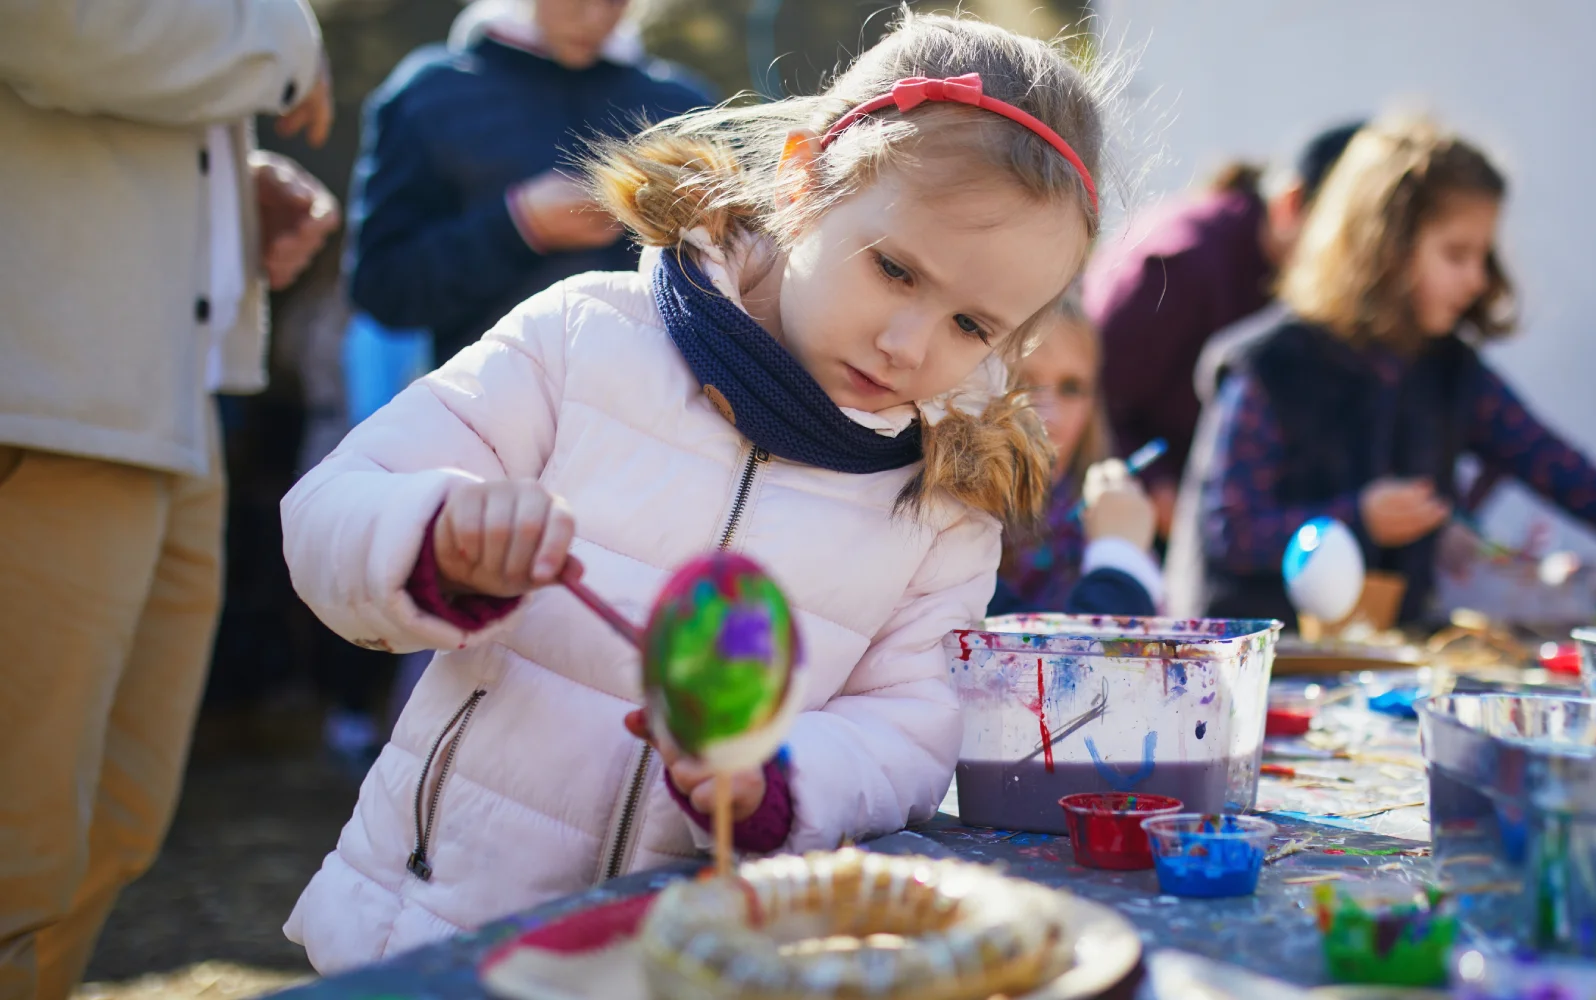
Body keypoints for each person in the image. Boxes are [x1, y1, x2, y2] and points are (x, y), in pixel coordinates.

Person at [278, 11, 1107, 969]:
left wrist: (781, 782)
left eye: (973, 326)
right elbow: (331, 509)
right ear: (803, 178)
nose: (909, 345)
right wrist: (435, 535)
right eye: (893, 269)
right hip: (435, 933)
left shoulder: (945, 501)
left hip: (696, 961)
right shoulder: (585, 336)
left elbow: (910, 730)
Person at [0, 1, 339, 996]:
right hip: (46, 399)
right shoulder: (280, 32)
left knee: (113, 826)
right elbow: (52, 27)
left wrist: (218, 192)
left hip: (158, 396)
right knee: (20, 841)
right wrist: (288, 42)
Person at [1169, 119, 1596, 634]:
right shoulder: (1267, 365)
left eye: (1484, 255)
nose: (1478, 279)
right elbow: (1231, 531)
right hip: (1251, 668)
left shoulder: (1449, 370)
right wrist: (1358, 518)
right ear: (1382, 247)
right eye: (1456, 254)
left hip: (1372, 669)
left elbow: (1570, 475)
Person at [347, 0, 712, 364]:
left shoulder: (681, 106)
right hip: (492, 404)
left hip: (652, 403)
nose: (596, 17)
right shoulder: (429, 95)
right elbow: (382, 288)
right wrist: (519, 225)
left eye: (616, 1)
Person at [1083, 122, 1368, 532]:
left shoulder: (1309, 287)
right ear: (1291, 205)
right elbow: (1083, 390)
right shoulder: (1180, 266)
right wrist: (1153, 486)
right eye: (1349, 240)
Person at [992, 292, 1163, 617]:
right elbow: (1048, 660)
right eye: (1020, 382)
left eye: (1071, 388)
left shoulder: (1086, 518)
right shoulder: (939, 522)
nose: (1050, 416)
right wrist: (1119, 554)